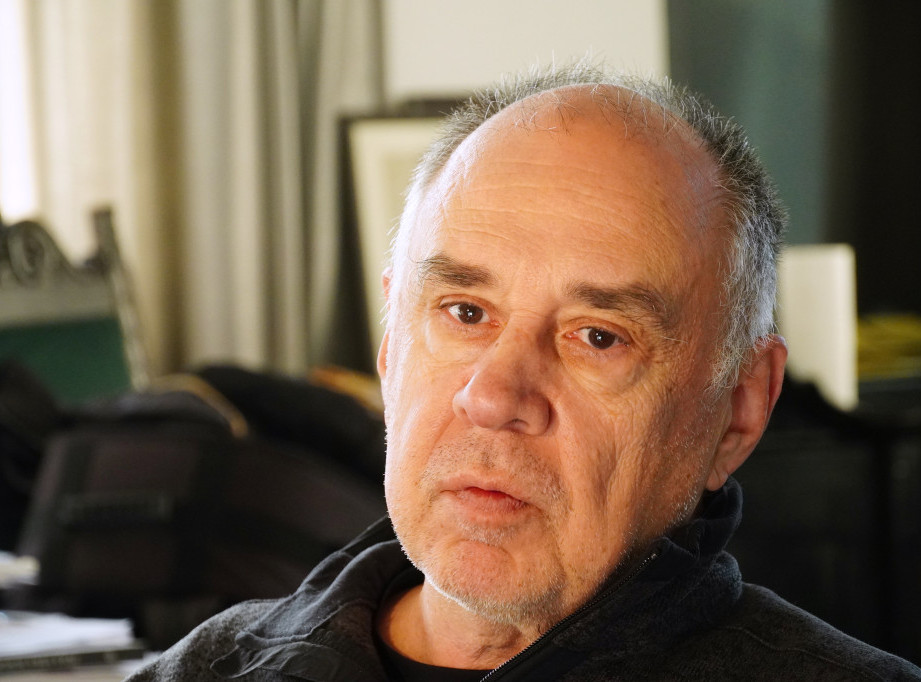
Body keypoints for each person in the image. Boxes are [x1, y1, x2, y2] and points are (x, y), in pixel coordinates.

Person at [127, 62, 921, 681]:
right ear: (390, 344)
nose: (494, 396)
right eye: (464, 312)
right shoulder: (200, 672)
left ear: (739, 410)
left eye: (597, 337)